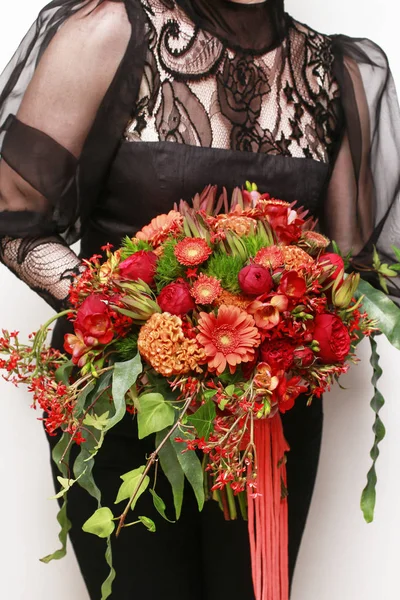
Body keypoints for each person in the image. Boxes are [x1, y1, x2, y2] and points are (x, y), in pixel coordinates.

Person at [0, 1, 400, 598]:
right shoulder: (113, 30)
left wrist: (294, 318)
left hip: (264, 419)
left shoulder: (332, 70)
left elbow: (347, 264)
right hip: (122, 406)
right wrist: (126, 317)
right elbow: (13, 214)